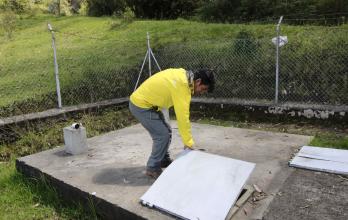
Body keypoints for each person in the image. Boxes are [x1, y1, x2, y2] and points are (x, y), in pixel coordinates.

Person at [129, 68, 215, 178]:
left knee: (167, 131)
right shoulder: (182, 86)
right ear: (198, 81)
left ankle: (163, 159)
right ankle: (152, 167)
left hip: (151, 104)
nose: (202, 92)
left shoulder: (183, 77)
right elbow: (183, 117)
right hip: (141, 105)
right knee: (162, 135)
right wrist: (188, 142)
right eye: (203, 89)